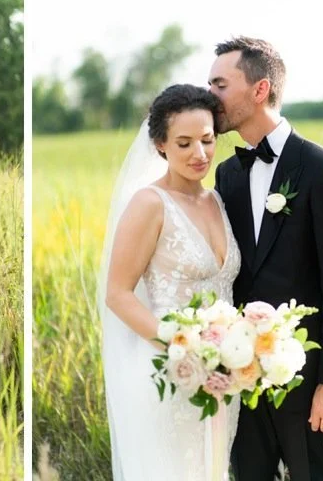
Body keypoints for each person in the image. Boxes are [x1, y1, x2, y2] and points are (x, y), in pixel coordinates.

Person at [210, 36, 323, 481]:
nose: (210, 96)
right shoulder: (228, 174)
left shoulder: (322, 169)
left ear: (260, 90)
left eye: (220, 84)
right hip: (242, 378)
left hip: (306, 379)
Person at [98, 84, 241, 480]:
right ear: (160, 145)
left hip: (223, 375)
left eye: (207, 140)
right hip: (169, 370)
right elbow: (118, 294)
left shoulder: (217, 200)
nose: (200, 154)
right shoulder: (149, 204)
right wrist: (182, 349)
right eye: (184, 143)